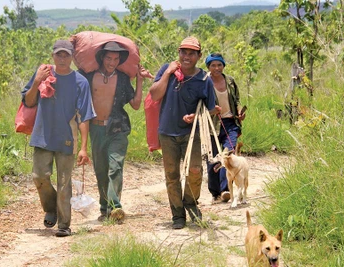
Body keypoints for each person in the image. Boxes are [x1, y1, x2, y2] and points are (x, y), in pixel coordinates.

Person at [22, 39, 95, 237]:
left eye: (66, 55)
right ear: (53, 55)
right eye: (59, 54)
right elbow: (28, 102)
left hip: (66, 138)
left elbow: (84, 116)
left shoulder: (80, 82)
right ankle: (51, 207)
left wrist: (83, 148)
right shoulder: (44, 74)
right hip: (42, 135)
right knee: (40, 177)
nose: (62, 58)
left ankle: (64, 224)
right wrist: (37, 81)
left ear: (73, 57)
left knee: (64, 182)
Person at [149, 36, 220, 229]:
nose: (186, 57)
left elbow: (210, 108)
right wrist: (168, 73)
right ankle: (177, 214)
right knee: (171, 175)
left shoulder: (204, 79)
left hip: (193, 134)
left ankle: (190, 202)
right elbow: (155, 94)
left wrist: (194, 117)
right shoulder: (167, 70)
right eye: (183, 52)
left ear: (199, 56)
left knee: (194, 172)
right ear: (179, 52)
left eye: (191, 53)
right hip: (167, 132)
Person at [79, 41, 149, 223]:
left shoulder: (123, 79)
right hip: (95, 129)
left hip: (118, 128)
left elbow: (135, 104)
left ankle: (115, 206)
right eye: (109, 58)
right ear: (102, 57)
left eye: (116, 59)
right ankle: (105, 208)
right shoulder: (88, 76)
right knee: (101, 170)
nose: (112, 62)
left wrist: (140, 81)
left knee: (115, 167)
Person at [205, 53, 246, 204]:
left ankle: (225, 190)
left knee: (227, 155)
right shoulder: (204, 82)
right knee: (213, 158)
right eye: (213, 65)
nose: (216, 68)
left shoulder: (230, 81)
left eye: (219, 65)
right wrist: (211, 110)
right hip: (212, 125)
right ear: (208, 67)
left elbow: (237, 100)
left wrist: (240, 112)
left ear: (223, 66)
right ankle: (215, 192)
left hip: (230, 124)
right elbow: (199, 105)